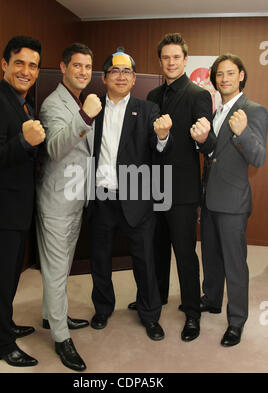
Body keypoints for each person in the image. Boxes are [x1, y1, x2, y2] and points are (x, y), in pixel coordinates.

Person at [128, 33, 216, 342]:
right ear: (160, 61)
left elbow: (210, 144)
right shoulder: (151, 96)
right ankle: (158, 296)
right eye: (166, 57)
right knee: (156, 249)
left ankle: (192, 311)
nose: (171, 62)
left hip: (181, 191)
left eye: (176, 57)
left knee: (185, 253)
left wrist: (204, 138)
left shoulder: (197, 95)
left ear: (185, 59)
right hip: (154, 188)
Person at [87, 49, 172, 341]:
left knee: (144, 260)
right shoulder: (92, 108)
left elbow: (158, 149)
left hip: (136, 198)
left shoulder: (147, 109)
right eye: (115, 71)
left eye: (126, 72)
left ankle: (150, 314)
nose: (120, 76)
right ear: (104, 77)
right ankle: (102, 308)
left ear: (134, 79)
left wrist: (162, 137)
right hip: (101, 198)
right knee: (99, 258)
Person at [0, 36, 45, 367]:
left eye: (32, 65)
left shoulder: (24, 104)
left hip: (17, 210)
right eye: (19, 63)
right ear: (5, 64)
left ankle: (4, 324)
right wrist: (24, 141)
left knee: (10, 277)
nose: (26, 70)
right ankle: (1, 344)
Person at [193, 53, 268, 346]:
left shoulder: (255, 110)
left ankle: (236, 321)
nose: (224, 79)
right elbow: (214, 155)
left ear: (241, 75)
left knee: (235, 263)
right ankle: (211, 299)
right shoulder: (216, 111)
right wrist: (203, 142)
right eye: (219, 74)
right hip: (210, 198)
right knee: (210, 256)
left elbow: (258, 157)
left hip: (234, 202)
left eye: (230, 73)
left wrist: (242, 133)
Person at [36, 43, 102, 371]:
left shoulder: (76, 100)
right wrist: (86, 115)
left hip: (75, 199)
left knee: (61, 268)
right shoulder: (54, 104)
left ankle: (51, 317)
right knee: (55, 269)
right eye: (77, 66)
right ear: (63, 67)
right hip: (57, 202)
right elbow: (55, 148)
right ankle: (61, 339)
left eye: (88, 67)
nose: (83, 72)